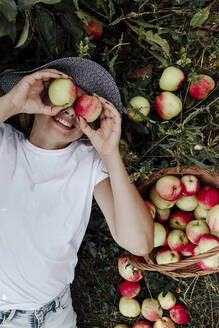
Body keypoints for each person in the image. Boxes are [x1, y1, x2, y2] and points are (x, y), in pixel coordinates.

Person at [0, 57, 154, 327]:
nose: (71, 111)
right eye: (65, 97)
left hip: (52, 315)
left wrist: (110, 154)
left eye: (82, 106)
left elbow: (140, 242)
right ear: (40, 96)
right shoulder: (4, 143)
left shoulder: (88, 164)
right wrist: (13, 103)